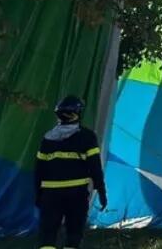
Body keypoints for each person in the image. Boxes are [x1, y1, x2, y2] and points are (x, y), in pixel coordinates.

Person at [34, 95, 107, 249]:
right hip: (76, 193)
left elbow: (39, 170)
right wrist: (101, 190)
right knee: (74, 233)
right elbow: (95, 166)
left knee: (47, 236)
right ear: (78, 113)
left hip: (50, 194)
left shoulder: (47, 138)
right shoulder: (87, 136)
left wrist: (38, 194)